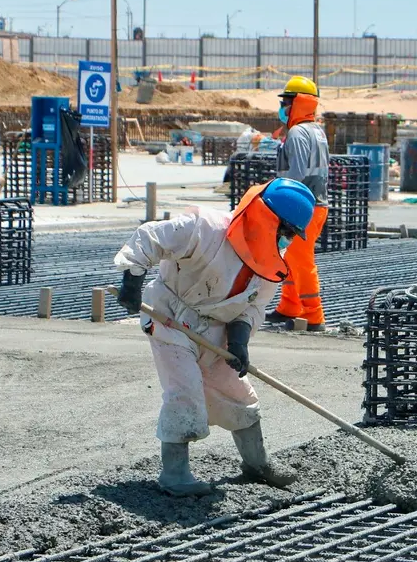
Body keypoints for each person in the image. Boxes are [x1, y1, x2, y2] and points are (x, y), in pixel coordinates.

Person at [114, 178, 315, 497]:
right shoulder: (204, 228)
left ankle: (257, 463)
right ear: (266, 220)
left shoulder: (270, 266)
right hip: (170, 315)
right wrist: (132, 280)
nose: (286, 241)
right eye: (286, 232)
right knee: (185, 388)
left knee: (237, 393)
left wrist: (239, 339)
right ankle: (175, 475)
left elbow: (254, 307)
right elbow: (149, 237)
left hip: (216, 328)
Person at [265, 76, 331, 330]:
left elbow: (296, 174)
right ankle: (290, 306)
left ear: (300, 103)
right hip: (315, 204)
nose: (283, 107)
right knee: (291, 258)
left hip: (302, 206)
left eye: (287, 102)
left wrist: (282, 203)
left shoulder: (297, 132)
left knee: (302, 261)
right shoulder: (316, 131)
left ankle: (314, 316)